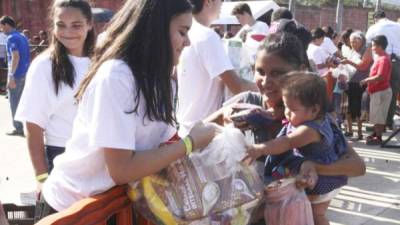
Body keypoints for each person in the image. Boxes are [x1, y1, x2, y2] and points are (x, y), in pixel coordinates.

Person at [37, 0, 217, 221]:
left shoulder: (161, 79)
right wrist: (189, 143)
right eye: (182, 32)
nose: (187, 42)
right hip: (75, 209)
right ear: (156, 31)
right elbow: (122, 169)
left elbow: (156, 148)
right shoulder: (116, 77)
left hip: (115, 203)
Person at [206, 32, 365, 225]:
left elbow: (357, 166)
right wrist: (222, 120)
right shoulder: (245, 103)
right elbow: (194, 137)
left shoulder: (313, 116)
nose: (266, 82)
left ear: (301, 71)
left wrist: (311, 166)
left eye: (277, 73)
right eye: (260, 71)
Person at [243, 73, 348, 225]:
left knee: (316, 215)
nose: (286, 112)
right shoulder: (309, 117)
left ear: (314, 110)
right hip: (312, 172)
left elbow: (286, 142)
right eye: (285, 106)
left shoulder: (310, 130)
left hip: (321, 181)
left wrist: (260, 148)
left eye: (292, 109)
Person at [15, 0, 95, 195]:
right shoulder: (44, 66)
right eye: (61, 25)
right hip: (62, 158)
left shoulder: (102, 59)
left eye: (76, 25)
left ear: (90, 24)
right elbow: (33, 127)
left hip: (100, 157)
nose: (68, 32)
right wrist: (42, 177)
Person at [177, 0, 256, 137]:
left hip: (187, 128)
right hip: (203, 133)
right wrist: (269, 87)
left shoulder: (188, 32)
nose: (222, 4)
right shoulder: (207, 37)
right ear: (208, 2)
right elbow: (237, 86)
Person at [366, 10, 400, 130]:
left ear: (375, 18)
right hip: (397, 62)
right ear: (386, 16)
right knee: (393, 93)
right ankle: (388, 122)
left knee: (378, 93)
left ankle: (378, 125)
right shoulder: (397, 26)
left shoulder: (374, 27)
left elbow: (368, 45)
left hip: (381, 62)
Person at [0, 16, 30, 136]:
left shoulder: (11, 38)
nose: (1, 29)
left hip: (16, 74)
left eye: (1, 26)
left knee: (14, 101)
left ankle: (18, 128)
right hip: (25, 72)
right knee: (24, 101)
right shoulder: (22, 36)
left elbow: (15, 57)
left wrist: (11, 76)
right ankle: (26, 126)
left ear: (7, 25)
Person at [360, 35, 392, 145]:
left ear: (380, 46)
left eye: (373, 46)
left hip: (381, 91)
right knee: (376, 114)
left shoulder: (383, 59)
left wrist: (366, 80)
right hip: (377, 91)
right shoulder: (381, 57)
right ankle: (375, 134)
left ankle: (378, 137)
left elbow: (380, 76)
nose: (372, 48)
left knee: (379, 116)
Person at [341, 31, 373, 140]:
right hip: (350, 82)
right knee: (348, 107)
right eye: (351, 42)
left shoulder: (367, 50)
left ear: (362, 40)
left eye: (355, 41)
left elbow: (363, 66)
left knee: (359, 107)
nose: (353, 44)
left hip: (360, 83)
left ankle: (359, 132)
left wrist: (348, 62)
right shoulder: (351, 51)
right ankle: (349, 130)